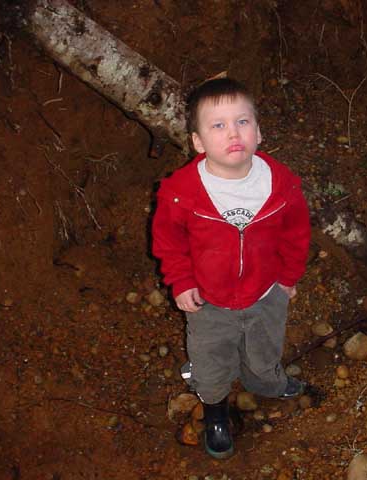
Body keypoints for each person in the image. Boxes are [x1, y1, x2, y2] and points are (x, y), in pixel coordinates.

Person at [152, 77, 311, 459]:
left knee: (264, 348)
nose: (233, 133)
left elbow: (296, 233)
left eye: (242, 121)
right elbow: (169, 241)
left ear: (258, 132)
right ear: (199, 142)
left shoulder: (280, 184)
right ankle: (215, 409)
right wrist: (181, 281)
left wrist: (288, 278)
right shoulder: (181, 192)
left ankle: (267, 382)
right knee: (210, 361)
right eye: (218, 125)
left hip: (265, 292)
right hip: (209, 301)